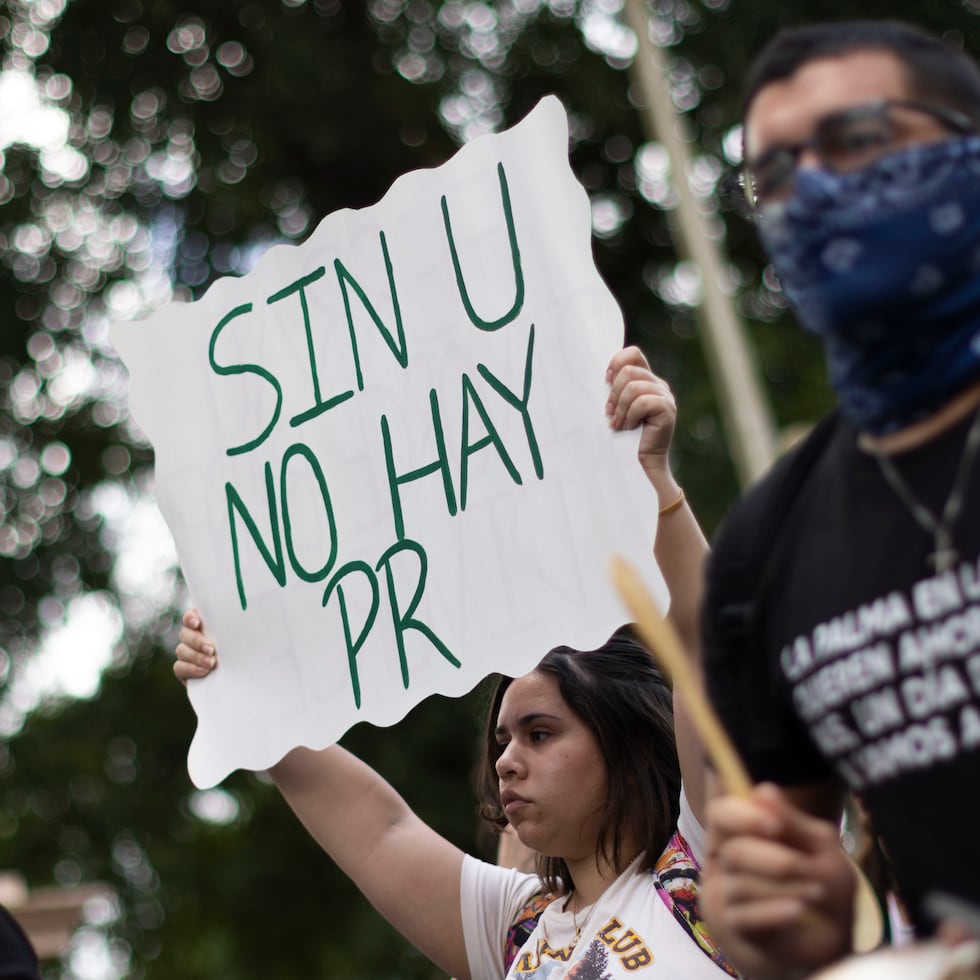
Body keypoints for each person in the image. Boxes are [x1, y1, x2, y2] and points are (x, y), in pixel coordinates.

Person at [175, 346, 739, 979]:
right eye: (502, 738)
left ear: (629, 742)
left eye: (541, 732)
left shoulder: (708, 871)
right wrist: (238, 680)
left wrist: (654, 483)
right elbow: (379, 831)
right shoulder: (517, 930)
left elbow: (706, 647)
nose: (505, 760)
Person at [698, 19, 980, 979]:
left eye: (858, 140)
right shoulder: (760, 551)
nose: (813, 189)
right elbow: (775, 916)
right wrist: (779, 922)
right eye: (774, 176)